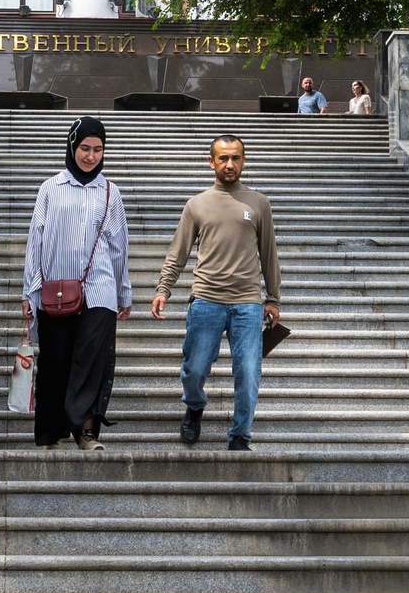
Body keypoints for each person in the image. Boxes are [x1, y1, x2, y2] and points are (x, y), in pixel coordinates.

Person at [151, 134, 282, 451]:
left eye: (236, 157)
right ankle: (194, 407)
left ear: (244, 160)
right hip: (206, 300)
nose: (230, 164)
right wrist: (163, 288)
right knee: (194, 368)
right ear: (211, 161)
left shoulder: (258, 203)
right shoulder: (196, 204)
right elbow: (178, 252)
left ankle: (240, 434)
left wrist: (273, 299)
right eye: (223, 158)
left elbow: (269, 254)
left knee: (249, 372)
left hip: (247, 305)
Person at [20, 116, 131, 450]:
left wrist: (124, 291)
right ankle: (51, 431)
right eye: (84, 147)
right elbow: (35, 239)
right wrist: (30, 290)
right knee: (56, 359)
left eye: (98, 149)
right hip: (55, 289)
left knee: (91, 359)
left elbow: (119, 246)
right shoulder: (50, 188)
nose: (90, 156)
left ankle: (86, 432)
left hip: (100, 290)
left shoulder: (110, 192)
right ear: (72, 146)